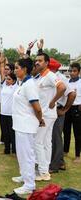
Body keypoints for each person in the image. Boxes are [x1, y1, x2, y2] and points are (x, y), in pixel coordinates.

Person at [33, 40, 66, 181]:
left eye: (40, 61)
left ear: (47, 63)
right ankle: (45, 171)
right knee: (46, 142)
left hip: (46, 114)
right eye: (36, 61)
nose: (37, 63)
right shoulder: (41, 76)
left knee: (38, 142)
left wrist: (53, 101)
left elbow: (62, 87)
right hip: (47, 114)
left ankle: (42, 172)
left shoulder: (50, 75)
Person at [11, 57, 44, 195]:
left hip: (27, 125)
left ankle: (30, 184)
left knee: (27, 155)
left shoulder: (29, 84)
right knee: (21, 154)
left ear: (24, 69)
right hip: (20, 125)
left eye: (17, 68)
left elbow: (37, 107)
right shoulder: (22, 83)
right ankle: (24, 176)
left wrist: (40, 120)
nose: (15, 70)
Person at [48, 59, 76, 173]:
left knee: (55, 138)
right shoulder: (53, 77)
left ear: (52, 68)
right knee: (54, 138)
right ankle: (60, 162)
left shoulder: (60, 78)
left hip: (57, 110)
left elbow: (72, 94)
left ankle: (54, 166)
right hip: (53, 110)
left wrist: (65, 110)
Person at [0, 54, 18, 154]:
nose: (7, 80)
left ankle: (14, 150)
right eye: (6, 79)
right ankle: (6, 149)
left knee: (12, 133)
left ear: (14, 80)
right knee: (5, 133)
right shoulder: (4, 85)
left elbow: (16, 72)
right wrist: (1, 62)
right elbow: (2, 72)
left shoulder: (16, 86)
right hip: (3, 113)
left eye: (9, 79)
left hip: (11, 114)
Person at [63, 62, 81, 163]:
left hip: (77, 109)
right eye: (70, 71)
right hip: (67, 108)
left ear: (78, 72)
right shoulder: (66, 82)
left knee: (77, 133)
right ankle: (65, 151)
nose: (72, 73)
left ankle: (78, 155)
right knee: (66, 131)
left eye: (74, 71)